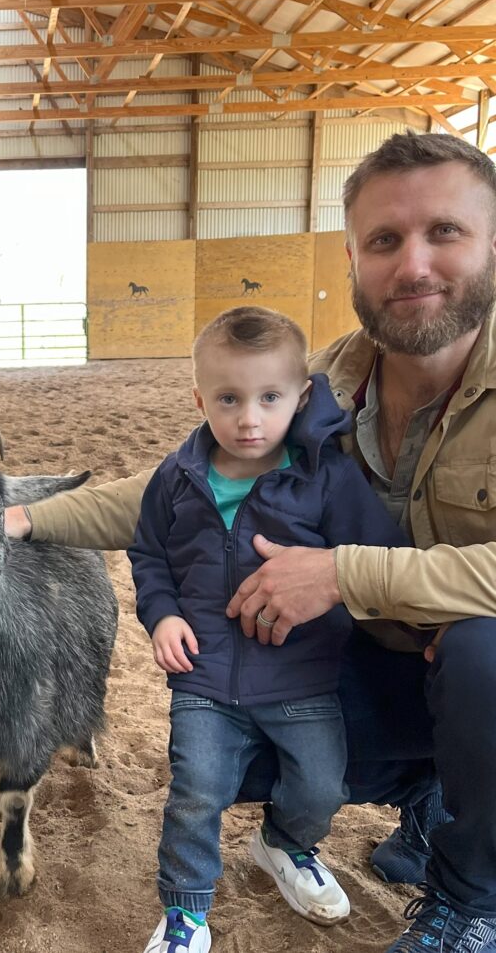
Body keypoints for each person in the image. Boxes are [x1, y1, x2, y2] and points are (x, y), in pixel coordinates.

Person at [8, 130, 496, 953]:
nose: (412, 265)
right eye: (385, 239)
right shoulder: (319, 386)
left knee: (484, 659)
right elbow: (183, 498)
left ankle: (473, 897)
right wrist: (24, 517)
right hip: (375, 661)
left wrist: (343, 572)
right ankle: (430, 792)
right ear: (352, 258)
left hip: (464, 667)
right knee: (236, 729)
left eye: (444, 231)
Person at [130, 307, 405, 953]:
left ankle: (284, 842)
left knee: (321, 786)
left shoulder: (326, 478)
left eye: (270, 398)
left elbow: (378, 556)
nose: (248, 418)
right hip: (202, 682)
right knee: (195, 792)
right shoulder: (177, 478)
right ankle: (186, 912)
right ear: (200, 397)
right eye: (228, 399)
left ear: (302, 397)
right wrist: (162, 614)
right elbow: (148, 554)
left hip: (302, 679)